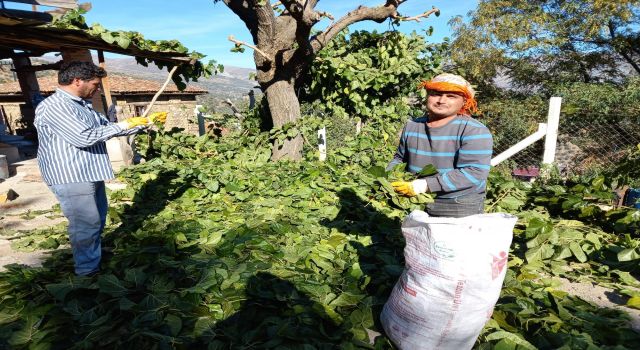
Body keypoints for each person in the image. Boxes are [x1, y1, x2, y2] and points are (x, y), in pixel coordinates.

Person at [34, 61, 166, 276]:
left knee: (97, 219)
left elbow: (105, 130)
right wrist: (124, 125)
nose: (96, 88)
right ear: (77, 81)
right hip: (71, 175)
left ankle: (91, 256)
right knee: (85, 223)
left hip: (88, 171)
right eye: (94, 84)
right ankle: (87, 273)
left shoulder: (81, 104)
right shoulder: (55, 106)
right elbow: (83, 137)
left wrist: (143, 123)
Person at [388, 73, 493, 218]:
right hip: (415, 199)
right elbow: (400, 159)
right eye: (436, 94)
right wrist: (388, 177)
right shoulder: (412, 125)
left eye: (451, 96)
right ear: (427, 96)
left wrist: (423, 185)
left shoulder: (474, 130)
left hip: (457, 203)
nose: (441, 100)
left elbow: (474, 172)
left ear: (464, 101)